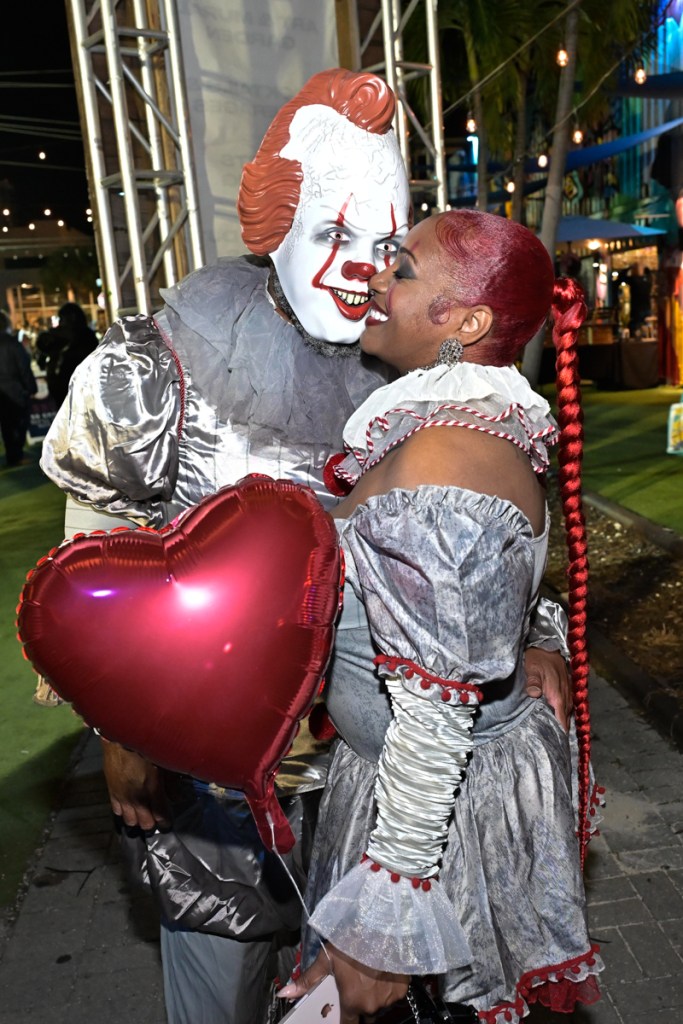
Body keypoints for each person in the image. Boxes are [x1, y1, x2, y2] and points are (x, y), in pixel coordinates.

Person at [41, 71, 570, 1023]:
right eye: (334, 233)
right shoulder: (164, 360)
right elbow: (97, 564)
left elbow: (476, 551)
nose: (362, 271)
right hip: (215, 779)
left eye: (385, 246)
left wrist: (532, 637)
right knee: (226, 991)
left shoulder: (421, 376)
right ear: (275, 224)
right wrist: (123, 733)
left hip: (382, 785)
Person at [280, 210, 604, 1023]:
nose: (373, 279)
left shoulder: (443, 460)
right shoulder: (462, 425)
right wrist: (535, 639)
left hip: (434, 817)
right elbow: (497, 588)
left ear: (467, 323)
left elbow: (432, 718)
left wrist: (381, 928)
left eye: (401, 269)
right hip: (413, 788)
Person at [36, 302, 98, 407]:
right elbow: (43, 349)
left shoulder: (85, 337)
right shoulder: (66, 336)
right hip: (66, 390)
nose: (60, 323)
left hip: (78, 390)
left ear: (72, 318)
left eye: (62, 319)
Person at [0, 309, 37, 467]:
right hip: (15, 390)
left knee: (6, 425)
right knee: (19, 423)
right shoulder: (12, 343)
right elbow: (24, 367)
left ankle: (12, 455)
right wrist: (31, 388)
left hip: (3, 391)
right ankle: (16, 455)